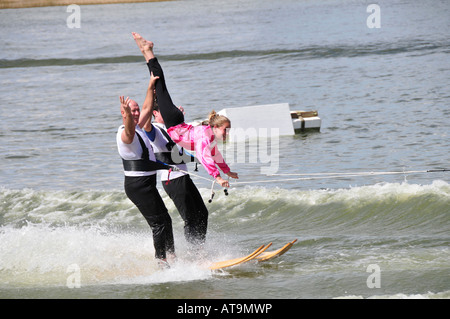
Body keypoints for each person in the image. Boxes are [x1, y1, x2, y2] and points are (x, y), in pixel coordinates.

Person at [132, 32, 239, 188]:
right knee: (159, 84)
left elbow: (216, 156)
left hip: (176, 121)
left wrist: (227, 171)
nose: (227, 133)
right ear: (215, 127)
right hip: (174, 122)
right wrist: (218, 178)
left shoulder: (209, 137)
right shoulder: (205, 137)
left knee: (159, 85)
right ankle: (148, 51)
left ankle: (146, 51)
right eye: (225, 130)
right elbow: (205, 157)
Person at [116, 68, 175, 269]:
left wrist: (150, 86)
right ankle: (162, 263)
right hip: (137, 185)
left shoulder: (140, 126)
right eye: (130, 110)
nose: (135, 112)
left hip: (148, 183)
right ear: (123, 113)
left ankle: (172, 256)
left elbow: (148, 108)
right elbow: (130, 131)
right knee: (158, 224)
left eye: (135, 110)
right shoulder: (126, 134)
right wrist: (127, 116)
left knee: (166, 219)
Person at [144, 104, 209, 249]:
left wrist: (179, 120)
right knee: (190, 218)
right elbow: (146, 126)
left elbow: (180, 151)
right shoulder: (155, 130)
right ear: (155, 112)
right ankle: (195, 253)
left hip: (183, 177)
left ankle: (199, 247)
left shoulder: (170, 129)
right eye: (165, 110)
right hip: (172, 180)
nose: (169, 112)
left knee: (202, 213)